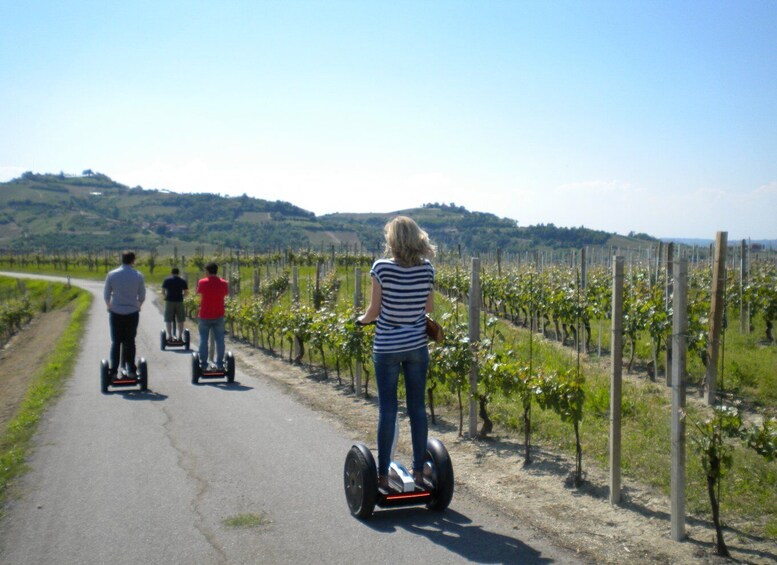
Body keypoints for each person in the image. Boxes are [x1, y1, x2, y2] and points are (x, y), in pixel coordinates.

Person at [357, 216, 436, 490]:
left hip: (388, 346)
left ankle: (380, 474)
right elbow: (429, 308)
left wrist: (361, 320)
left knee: (388, 409)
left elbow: (373, 311)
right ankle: (417, 471)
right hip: (416, 346)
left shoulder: (381, 268)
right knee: (417, 408)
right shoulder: (427, 269)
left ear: (392, 240)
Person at [104, 251, 146, 376]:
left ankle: (113, 370)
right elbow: (142, 295)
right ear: (133, 261)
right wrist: (137, 305)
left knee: (116, 342)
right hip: (132, 312)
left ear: (121, 259)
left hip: (116, 311)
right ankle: (131, 369)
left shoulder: (112, 274)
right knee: (130, 341)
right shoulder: (138, 275)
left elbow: (106, 294)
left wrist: (109, 306)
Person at [196, 262, 229, 370]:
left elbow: (199, 292)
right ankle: (220, 363)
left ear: (207, 271)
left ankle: (203, 364)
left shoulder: (202, 282)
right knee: (220, 340)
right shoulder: (224, 283)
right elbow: (225, 293)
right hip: (219, 314)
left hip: (205, 315)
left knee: (203, 340)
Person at [162, 267, 188, 340]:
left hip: (169, 301)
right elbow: (186, 293)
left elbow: (163, 292)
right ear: (178, 273)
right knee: (180, 319)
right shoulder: (183, 281)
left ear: (171, 273)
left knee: (168, 319)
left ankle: (170, 336)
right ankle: (180, 336)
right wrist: (181, 296)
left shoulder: (167, 280)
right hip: (179, 301)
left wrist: (165, 297)